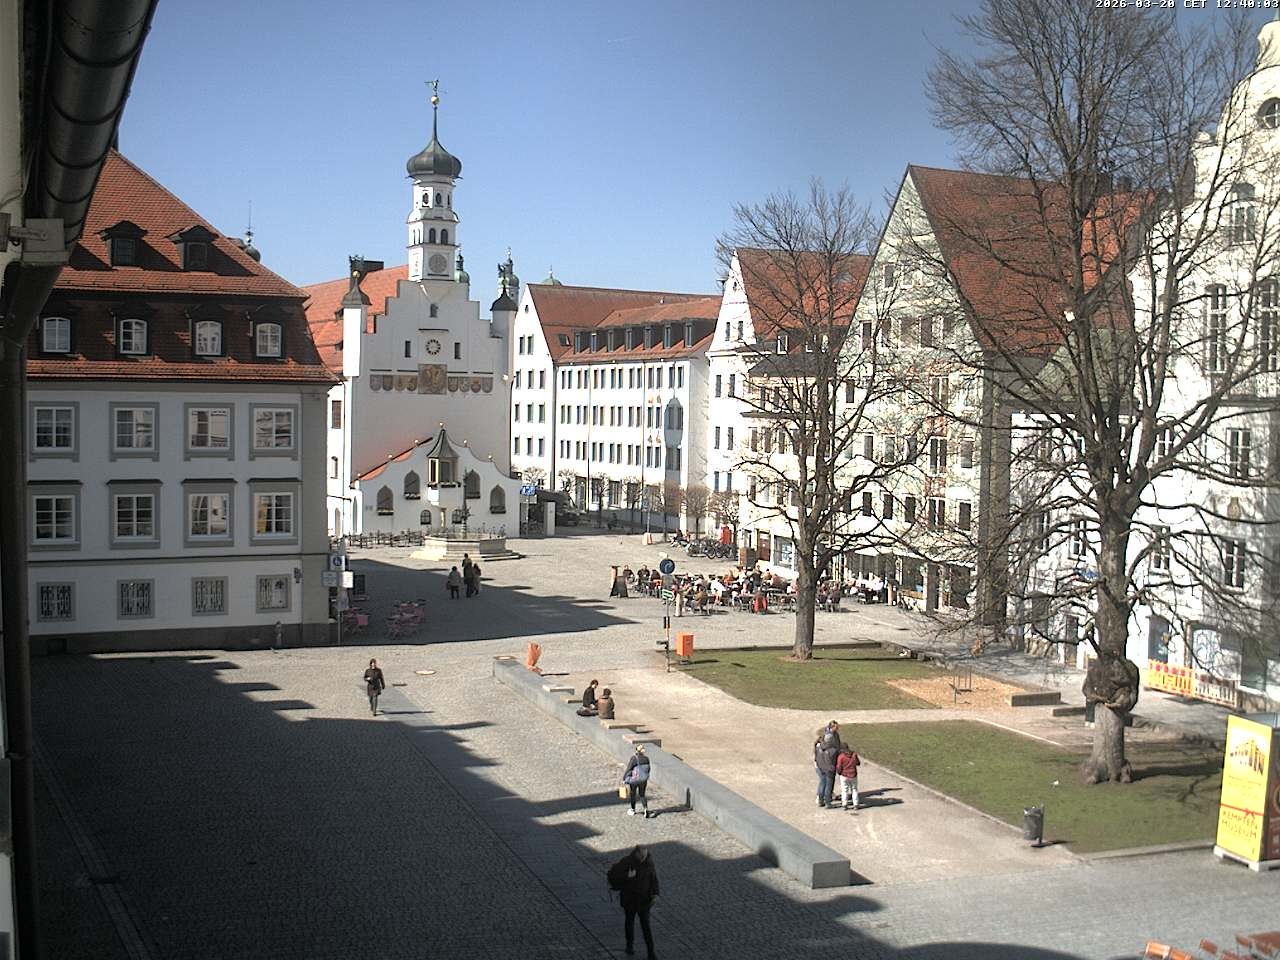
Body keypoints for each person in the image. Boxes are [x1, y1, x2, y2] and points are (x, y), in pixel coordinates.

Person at [607, 845, 660, 960]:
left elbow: (654, 880)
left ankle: (651, 952)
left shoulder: (649, 863)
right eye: (641, 855)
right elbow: (613, 877)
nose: (642, 858)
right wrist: (627, 876)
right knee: (629, 922)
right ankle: (629, 945)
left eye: (644, 855)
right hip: (630, 900)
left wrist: (656, 894)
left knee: (646, 926)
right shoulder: (626, 862)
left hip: (644, 901)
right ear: (636, 853)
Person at [622, 744, 651, 817]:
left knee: (633, 794)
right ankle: (645, 809)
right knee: (642, 795)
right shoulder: (646, 758)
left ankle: (633, 809)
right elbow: (648, 769)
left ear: (636, 751)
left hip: (634, 779)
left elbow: (629, 768)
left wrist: (624, 778)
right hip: (643, 780)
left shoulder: (634, 758)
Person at [835, 745, 861, 810]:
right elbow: (858, 763)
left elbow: (839, 767)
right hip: (853, 774)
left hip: (844, 775)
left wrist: (839, 773)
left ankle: (844, 804)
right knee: (854, 789)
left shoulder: (841, 756)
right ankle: (856, 804)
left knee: (844, 790)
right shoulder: (854, 754)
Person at [813, 729, 835, 807]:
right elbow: (834, 760)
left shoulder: (819, 748)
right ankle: (828, 802)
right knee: (828, 786)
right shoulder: (833, 750)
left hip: (820, 768)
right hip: (828, 769)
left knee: (822, 783)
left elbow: (817, 758)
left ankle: (820, 800)